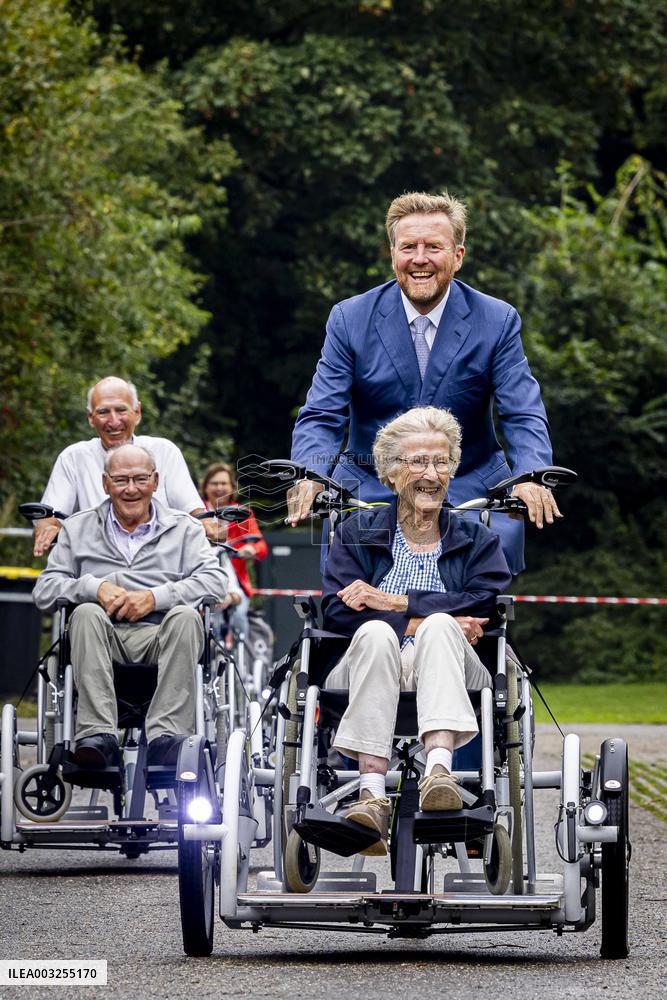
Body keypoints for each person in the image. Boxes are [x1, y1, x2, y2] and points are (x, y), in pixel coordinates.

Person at [289, 190, 560, 575]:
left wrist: (531, 476)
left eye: (433, 247)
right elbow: (321, 413)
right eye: (408, 247)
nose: (419, 259)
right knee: (350, 583)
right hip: (372, 484)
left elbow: (523, 411)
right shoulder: (349, 319)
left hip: (467, 486)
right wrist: (309, 474)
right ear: (393, 254)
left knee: (482, 585)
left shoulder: (497, 320)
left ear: (458, 256)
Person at [321, 407, 512, 855]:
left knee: (442, 628)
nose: (432, 474)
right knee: (374, 633)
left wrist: (397, 601)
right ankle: (370, 796)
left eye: (441, 461)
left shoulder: (476, 538)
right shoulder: (356, 531)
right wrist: (412, 620)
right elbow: (336, 610)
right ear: (390, 471)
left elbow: (486, 601)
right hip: (368, 664)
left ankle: (439, 774)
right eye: (418, 462)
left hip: (456, 672)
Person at [32, 444, 228, 768]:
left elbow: (216, 582)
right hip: (100, 634)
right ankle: (97, 736)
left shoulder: (185, 528)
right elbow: (45, 590)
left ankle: (167, 736)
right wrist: (94, 587)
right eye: (121, 480)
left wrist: (156, 597)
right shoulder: (77, 528)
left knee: (185, 616)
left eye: (140, 479)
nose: (131, 489)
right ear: (105, 483)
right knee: (84, 613)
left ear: (155, 480)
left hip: (160, 632)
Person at [33, 376, 215, 555]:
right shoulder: (73, 458)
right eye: (103, 412)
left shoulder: (165, 452)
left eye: (121, 410)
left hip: (160, 564)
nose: (113, 421)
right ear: (90, 418)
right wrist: (48, 529)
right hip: (98, 567)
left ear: (137, 412)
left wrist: (209, 526)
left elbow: (192, 510)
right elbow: (50, 516)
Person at [200, 462, 269, 607]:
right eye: (214, 483)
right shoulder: (197, 511)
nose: (219, 488)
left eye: (224, 483)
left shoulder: (242, 513)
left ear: (232, 488)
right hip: (200, 575)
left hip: (235, 581)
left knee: (240, 616)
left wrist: (252, 549)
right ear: (205, 487)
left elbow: (261, 546)